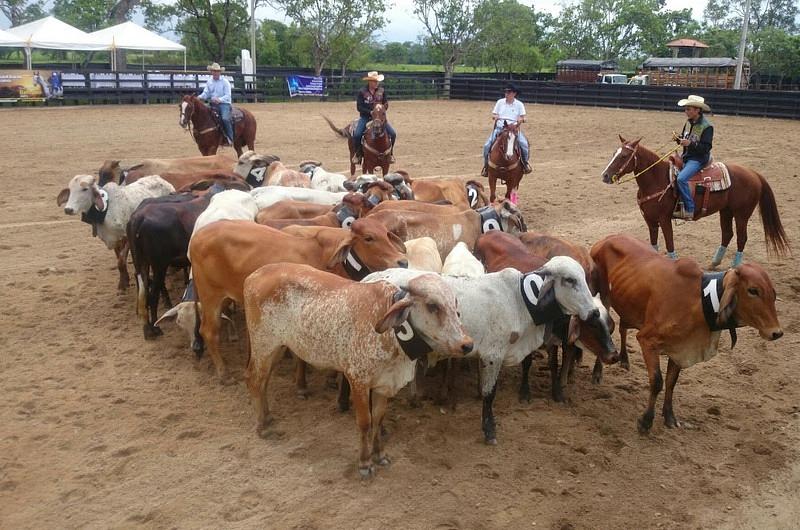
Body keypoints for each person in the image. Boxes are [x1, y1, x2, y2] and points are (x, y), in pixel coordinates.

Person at [675, 95, 713, 220]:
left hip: (698, 159)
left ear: (697, 110)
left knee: (681, 179)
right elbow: (684, 138)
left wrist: (690, 144)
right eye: (686, 109)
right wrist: (678, 139)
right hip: (687, 156)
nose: (686, 112)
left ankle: (690, 209)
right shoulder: (688, 123)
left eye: (689, 109)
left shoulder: (707, 127)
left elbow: (706, 148)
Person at [482, 83, 532, 177]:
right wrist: (495, 116)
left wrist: (521, 119)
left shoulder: (519, 104)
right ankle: (486, 166)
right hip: (500, 129)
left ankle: (525, 164)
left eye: (508, 92)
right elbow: (494, 114)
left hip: (513, 130)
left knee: (524, 145)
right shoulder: (500, 102)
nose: (506, 94)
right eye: (506, 92)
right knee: (487, 145)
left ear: (514, 93)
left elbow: (523, 117)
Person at [352, 71, 396, 164]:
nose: (377, 83)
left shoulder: (382, 91)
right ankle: (358, 154)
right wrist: (370, 112)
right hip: (366, 117)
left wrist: (381, 111)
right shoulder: (362, 92)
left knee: (393, 133)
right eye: (375, 81)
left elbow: (385, 103)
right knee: (357, 135)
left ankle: (390, 154)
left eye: (377, 81)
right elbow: (359, 107)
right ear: (370, 82)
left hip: (379, 118)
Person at [198, 62, 234, 145]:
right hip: (213, 104)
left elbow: (228, 95)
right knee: (203, 115)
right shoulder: (209, 82)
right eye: (213, 71)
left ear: (220, 72)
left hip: (224, 104)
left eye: (217, 71)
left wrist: (219, 100)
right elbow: (206, 93)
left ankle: (230, 138)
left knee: (225, 118)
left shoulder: (225, 82)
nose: (215, 72)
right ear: (211, 72)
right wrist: (199, 97)